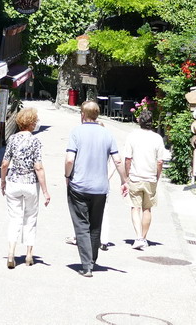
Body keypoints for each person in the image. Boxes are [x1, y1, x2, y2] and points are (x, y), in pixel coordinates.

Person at [64, 100, 128, 277]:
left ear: (82, 114)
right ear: (97, 114)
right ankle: (92, 259)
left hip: (79, 186)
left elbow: (70, 159)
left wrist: (67, 176)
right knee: (95, 225)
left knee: (82, 225)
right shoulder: (107, 134)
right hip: (100, 188)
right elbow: (117, 161)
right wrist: (125, 180)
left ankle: (86, 265)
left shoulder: (76, 132)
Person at [0, 106, 50, 268]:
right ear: (32, 123)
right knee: (30, 218)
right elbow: (38, 167)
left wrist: (3, 181)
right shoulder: (35, 141)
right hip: (30, 183)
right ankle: (29, 255)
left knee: (14, 218)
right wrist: (45, 190)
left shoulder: (13, 139)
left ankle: (11, 253)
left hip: (14, 181)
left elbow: (5, 163)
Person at [123, 108, 170, 250]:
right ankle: (143, 237)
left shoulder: (132, 136)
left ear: (139, 121)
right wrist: (157, 175)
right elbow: (160, 161)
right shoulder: (157, 138)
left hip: (135, 177)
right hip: (150, 178)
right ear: (151, 122)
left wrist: (127, 175)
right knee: (147, 209)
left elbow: (127, 159)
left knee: (135, 207)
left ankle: (137, 237)